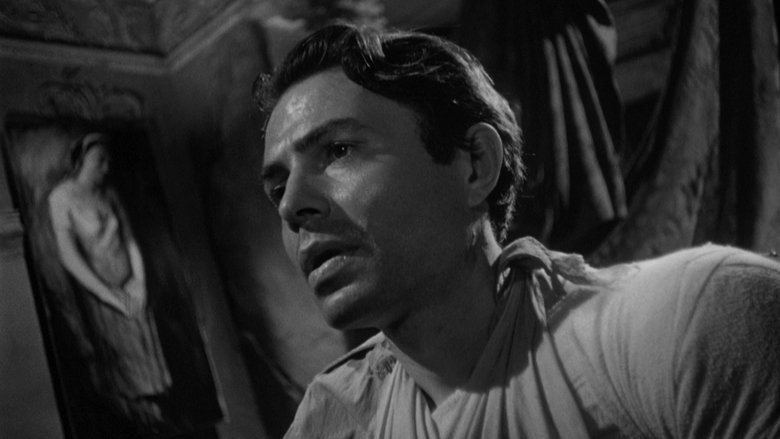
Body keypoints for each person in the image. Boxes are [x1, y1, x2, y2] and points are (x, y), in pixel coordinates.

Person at [254, 24, 780, 438]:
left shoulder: (688, 325)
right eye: (277, 189)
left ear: (475, 165)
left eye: (339, 150)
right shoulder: (332, 421)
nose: (292, 205)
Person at [48, 132, 172, 428]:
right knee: (127, 377)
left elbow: (130, 240)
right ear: (81, 161)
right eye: (99, 161)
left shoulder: (109, 193)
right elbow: (69, 257)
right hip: (103, 298)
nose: (105, 168)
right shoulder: (61, 197)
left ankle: (163, 421)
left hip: (132, 289)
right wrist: (110, 295)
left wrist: (139, 283)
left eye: (108, 161)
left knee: (154, 371)